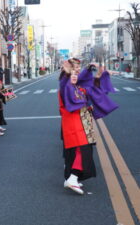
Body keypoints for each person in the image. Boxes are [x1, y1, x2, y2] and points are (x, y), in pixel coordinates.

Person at [58, 58, 118, 195]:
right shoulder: (65, 85)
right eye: (72, 73)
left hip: (82, 124)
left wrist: (100, 75)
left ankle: (71, 177)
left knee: (77, 151)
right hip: (74, 124)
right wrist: (68, 72)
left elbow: (93, 89)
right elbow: (68, 86)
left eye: (77, 73)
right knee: (83, 151)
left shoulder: (77, 86)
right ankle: (72, 178)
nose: (75, 75)